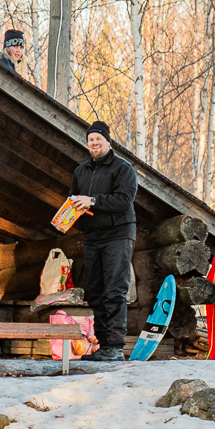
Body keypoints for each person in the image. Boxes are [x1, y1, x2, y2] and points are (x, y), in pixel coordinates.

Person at [67, 120, 135, 361]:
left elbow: (124, 200)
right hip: (92, 237)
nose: (94, 143)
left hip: (117, 235)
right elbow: (73, 200)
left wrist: (93, 201)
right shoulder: (81, 171)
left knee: (114, 291)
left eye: (98, 139)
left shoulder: (122, 168)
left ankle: (115, 347)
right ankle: (103, 345)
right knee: (94, 291)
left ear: (108, 141)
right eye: (90, 140)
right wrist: (67, 215)